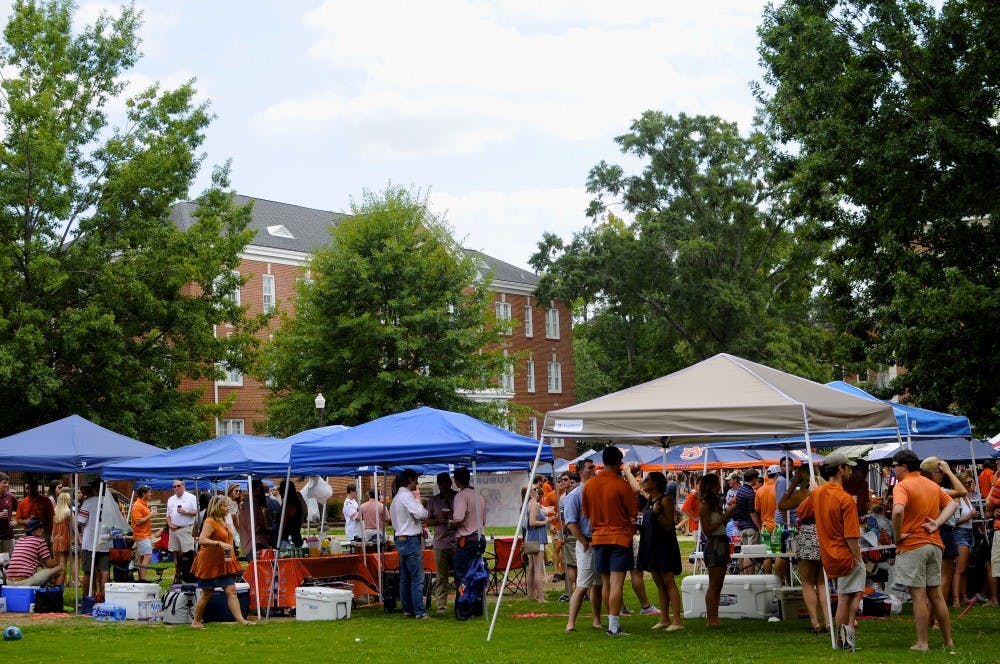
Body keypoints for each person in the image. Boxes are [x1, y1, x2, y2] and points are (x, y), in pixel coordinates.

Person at [891, 450, 957, 652]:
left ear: (903, 466)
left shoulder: (902, 486)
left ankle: (922, 643)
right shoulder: (932, 485)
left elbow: (898, 510)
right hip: (934, 544)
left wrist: (897, 535)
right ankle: (948, 641)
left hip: (913, 545)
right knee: (935, 594)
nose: (893, 469)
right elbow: (953, 504)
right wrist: (937, 523)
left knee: (919, 595)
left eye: (895, 465)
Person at [582, 446, 639, 637]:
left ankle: (611, 622)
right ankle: (613, 626)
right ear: (618, 463)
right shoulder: (621, 485)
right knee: (617, 583)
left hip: (598, 537)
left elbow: (587, 513)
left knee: (606, 583)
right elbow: (633, 509)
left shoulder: (589, 485)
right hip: (619, 538)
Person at [812, 452, 865, 652]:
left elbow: (802, 513)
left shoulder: (818, 493)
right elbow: (851, 535)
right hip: (845, 555)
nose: (851, 470)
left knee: (849, 597)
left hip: (829, 555)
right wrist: (858, 558)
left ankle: (847, 638)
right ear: (840, 469)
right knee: (847, 598)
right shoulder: (845, 498)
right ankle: (844, 641)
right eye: (848, 467)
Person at [777, 463, 829, 635]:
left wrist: (792, 485)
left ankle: (815, 621)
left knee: (807, 582)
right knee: (822, 582)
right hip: (823, 533)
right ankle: (828, 621)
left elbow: (782, 505)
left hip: (807, 533)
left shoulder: (802, 494)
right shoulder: (825, 490)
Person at [190, 495, 254, 628]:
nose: (228, 508)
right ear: (217, 507)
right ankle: (196, 621)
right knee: (207, 593)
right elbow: (202, 540)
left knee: (232, 591)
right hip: (209, 563)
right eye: (225, 506)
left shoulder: (224, 520)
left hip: (223, 562)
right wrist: (218, 543)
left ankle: (240, 620)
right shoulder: (209, 522)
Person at [919, 456, 966, 619]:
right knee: (944, 577)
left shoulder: (921, 488)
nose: (942, 475)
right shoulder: (938, 490)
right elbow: (962, 491)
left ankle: (930, 616)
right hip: (943, 530)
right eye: (940, 472)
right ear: (933, 472)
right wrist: (949, 472)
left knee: (932, 578)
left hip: (927, 532)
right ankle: (937, 618)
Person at [637, 471, 684, 631]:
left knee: (668, 582)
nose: (644, 482)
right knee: (659, 583)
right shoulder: (650, 500)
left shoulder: (665, 500)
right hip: (651, 544)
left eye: (647, 480)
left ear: (656, 483)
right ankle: (664, 618)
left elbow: (669, 525)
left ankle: (677, 620)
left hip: (664, 546)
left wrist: (657, 513)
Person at [565, 458, 603, 633]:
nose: (594, 469)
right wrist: (584, 542)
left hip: (599, 542)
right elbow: (571, 522)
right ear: (581, 472)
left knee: (598, 584)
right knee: (582, 585)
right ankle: (571, 623)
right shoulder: (575, 495)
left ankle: (596, 620)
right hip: (587, 543)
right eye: (590, 468)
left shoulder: (597, 491)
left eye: (594, 467)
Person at [389, 468, 429, 619]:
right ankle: (420, 612)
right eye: (416, 479)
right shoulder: (406, 497)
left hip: (400, 538)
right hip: (411, 539)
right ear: (409, 480)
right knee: (417, 578)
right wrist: (426, 512)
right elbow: (419, 513)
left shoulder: (396, 499)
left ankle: (407, 609)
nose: (417, 482)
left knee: (405, 577)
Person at [699, 472, 734, 627]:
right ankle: (711, 618)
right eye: (716, 485)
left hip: (721, 541)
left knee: (718, 583)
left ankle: (714, 616)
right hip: (714, 544)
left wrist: (728, 514)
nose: (719, 487)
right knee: (714, 583)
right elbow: (707, 530)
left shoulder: (715, 504)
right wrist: (721, 519)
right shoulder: (705, 505)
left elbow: (722, 525)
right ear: (710, 486)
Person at [425, 472, 456, 615]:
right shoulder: (433, 501)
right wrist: (438, 520)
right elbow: (427, 521)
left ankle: (461, 604)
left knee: (459, 576)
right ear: (438, 484)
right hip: (440, 543)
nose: (444, 486)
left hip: (456, 542)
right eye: (441, 483)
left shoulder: (458, 497)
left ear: (450, 483)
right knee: (441, 577)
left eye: (446, 483)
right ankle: (441, 608)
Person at [450, 466, 486, 589]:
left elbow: (458, 519)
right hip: (480, 537)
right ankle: (476, 603)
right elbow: (483, 520)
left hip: (467, 539)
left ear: (456, 480)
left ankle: (465, 604)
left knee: (462, 575)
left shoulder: (461, 495)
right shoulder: (478, 495)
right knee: (475, 573)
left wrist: (450, 523)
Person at [78, 482, 112, 599]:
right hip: (106, 541)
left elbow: (80, 521)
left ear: (94, 489)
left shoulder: (88, 502)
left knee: (88, 572)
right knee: (105, 571)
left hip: (90, 542)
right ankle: (104, 597)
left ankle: (88, 597)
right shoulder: (111, 503)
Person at [5, 517, 63, 586]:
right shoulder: (39, 541)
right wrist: (59, 559)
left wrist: (42, 564)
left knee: (43, 566)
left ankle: (49, 587)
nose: (43, 531)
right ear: (32, 531)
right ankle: (56, 595)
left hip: (9, 581)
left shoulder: (20, 540)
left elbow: (25, 561)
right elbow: (50, 564)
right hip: (24, 581)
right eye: (40, 528)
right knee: (61, 569)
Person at [951, 471, 979, 606]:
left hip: (968, 532)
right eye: (969, 482)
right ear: (962, 484)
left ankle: (963, 596)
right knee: (960, 569)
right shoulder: (957, 499)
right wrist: (969, 516)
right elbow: (953, 521)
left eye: (972, 481)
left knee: (964, 568)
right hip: (960, 533)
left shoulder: (967, 497)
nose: (972, 484)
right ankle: (956, 599)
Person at [166, 479, 198, 580]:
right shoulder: (171, 499)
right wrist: (169, 524)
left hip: (186, 529)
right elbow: (168, 515)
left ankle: (191, 575)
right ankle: (178, 575)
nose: (176, 488)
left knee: (188, 554)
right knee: (175, 553)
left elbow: (196, 512)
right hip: (173, 530)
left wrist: (186, 512)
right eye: (174, 486)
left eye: (178, 486)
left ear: (183, 486)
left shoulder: (191, 497)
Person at [524, 485, 549, 602]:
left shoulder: (528, 503)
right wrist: (546, 521)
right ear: (530, 492)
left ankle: (531, 595)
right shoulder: (533, 504)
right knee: (537, 569)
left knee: (532, 568)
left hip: (531, 539)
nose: (537, 491)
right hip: (537, 539)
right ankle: (541, 597)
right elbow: (533, 522)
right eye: (534, 489)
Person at [557, 471, 580, 602]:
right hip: (571, 533)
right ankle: (576, 592)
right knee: (572, 564)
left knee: (573, 565)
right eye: (560, 480)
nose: (562, 482)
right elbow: (563, 518)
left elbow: (569, 519)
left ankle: (569, 593)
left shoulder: (571, 496)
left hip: (574, 533)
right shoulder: (563, 498)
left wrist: (565, 531)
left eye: (564, 480)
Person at [733, 469, 760, 572]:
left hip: (742, 526)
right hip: (750, 527)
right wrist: (759, 527)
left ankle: (745, 576)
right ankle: (750, 578)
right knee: (751, 554)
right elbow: (752, 513)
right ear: (753, 479)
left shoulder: (740, 491)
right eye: (756, 478)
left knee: (745, 553)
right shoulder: (750, 493)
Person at [237, 480, 272, 558]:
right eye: (261, 489)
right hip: (255, 544)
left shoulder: (252, 503)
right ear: (256, 489)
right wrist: (267, 529)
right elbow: (253, 527)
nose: (263, 492)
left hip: (253, 544)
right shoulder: (251, 504)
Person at [130, 485, 155, 581]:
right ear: (144, 494)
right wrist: (150, 515)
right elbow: (138, 521)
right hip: (141, 535)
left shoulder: (144, 504)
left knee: (141, 557)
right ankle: (143, 578)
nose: (150, 494)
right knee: (148, 555)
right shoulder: (137, 505)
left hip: (145, 534)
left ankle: (142, 578)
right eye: (149, 492)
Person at [277, 479, 306, 547]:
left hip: (288, 541)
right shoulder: (298, 503)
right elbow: (302, 519)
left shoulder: (287, 506)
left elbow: (282, 525)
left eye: (280, 490)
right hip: (297, 537)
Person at [0, 472, 19, 555]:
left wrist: (16, 521)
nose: (7, 485)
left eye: (8, 483)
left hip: (8, 536)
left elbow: (20, 511)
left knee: (9, 563)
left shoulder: (10, 496)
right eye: (4, 482)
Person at [226, 484, 243, 555]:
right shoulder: (226, 502)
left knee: (236, 552)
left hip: (236, 530)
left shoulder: (238, 503)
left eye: (240, 491)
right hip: (228, 528)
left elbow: (239, 517)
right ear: (230, 491)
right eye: (236, 491)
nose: (238, 492)